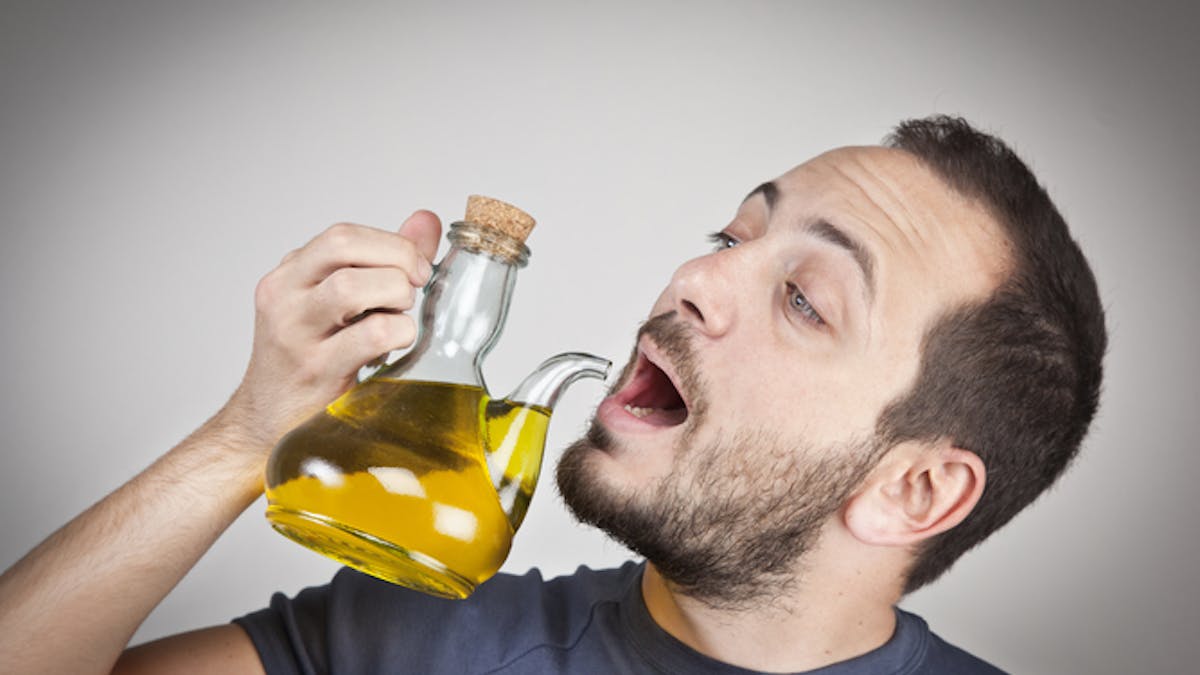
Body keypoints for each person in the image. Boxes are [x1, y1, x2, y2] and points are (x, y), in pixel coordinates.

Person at [0, 115, 1106, 674]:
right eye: (730, 235)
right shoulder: (418, 636)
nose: (697, 278)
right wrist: (244, 439)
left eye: (806, 299)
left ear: (916, 489)